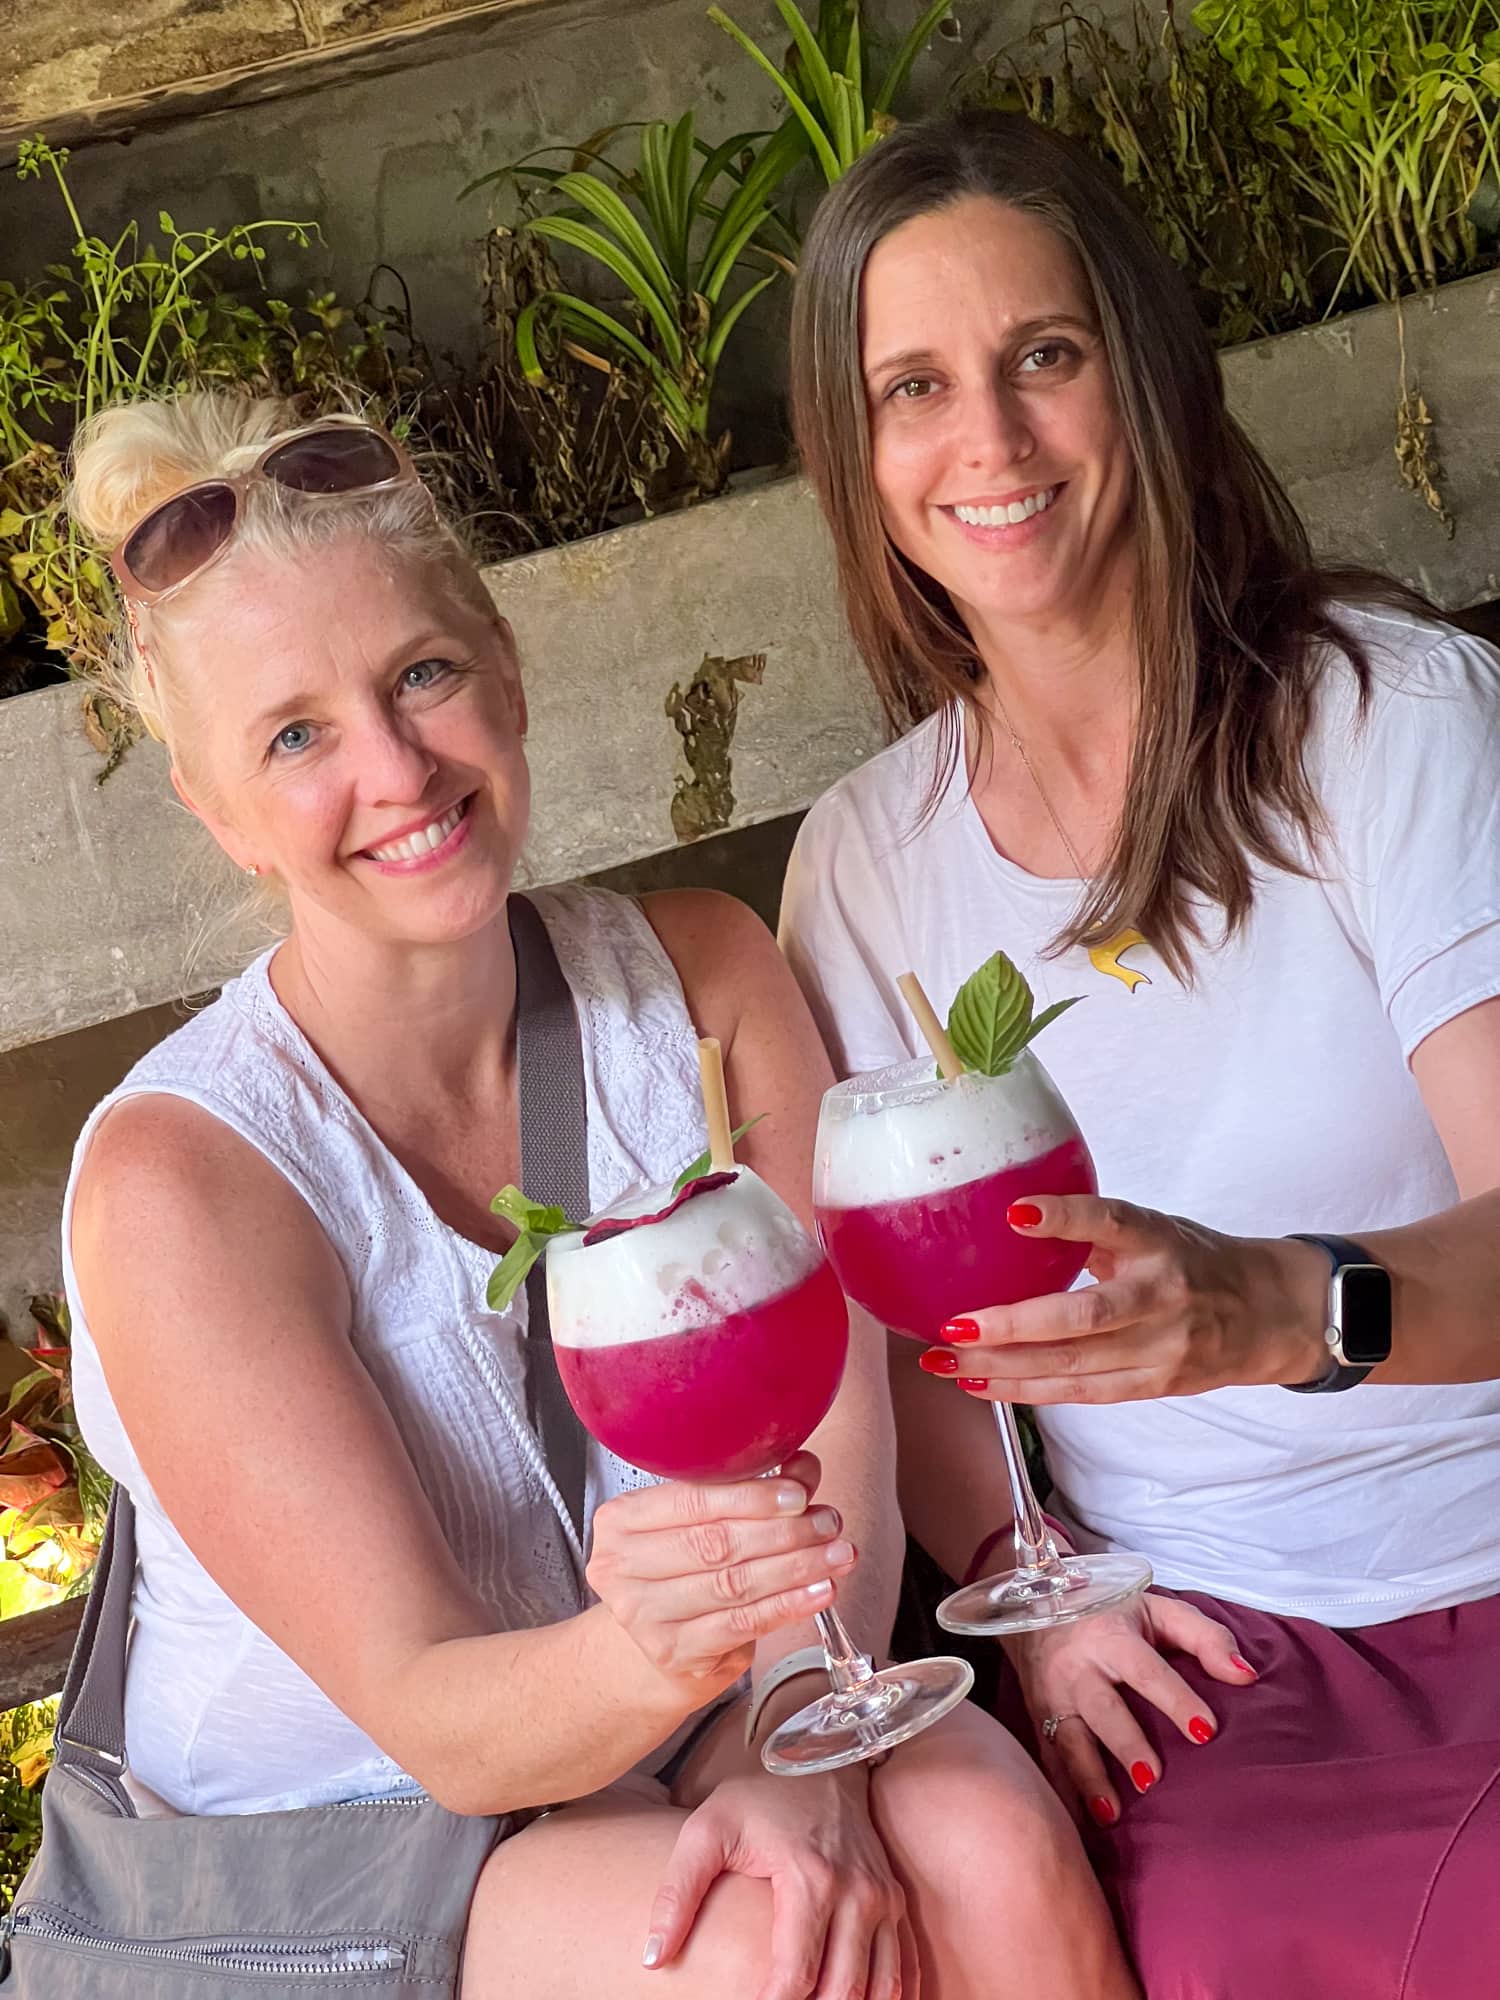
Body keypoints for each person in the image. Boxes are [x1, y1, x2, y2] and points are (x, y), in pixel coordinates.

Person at [35, 389, 1137, 2000]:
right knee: (786, 1957)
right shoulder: (183, 1184)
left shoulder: (700, 979)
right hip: (361, 1844)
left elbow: (835, 1416)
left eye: (422, 675)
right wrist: (697, 1682)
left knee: (993, 1846)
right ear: (213, 808)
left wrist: (789, 1738)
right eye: (296, 735)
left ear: (505, 664)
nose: (398, 769)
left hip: (687, 1718)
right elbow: (440, 1716)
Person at [778, 108, 1500, 1997]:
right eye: (912, 388)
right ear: (857, 465)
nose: (989, 442)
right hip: (1202, 1656)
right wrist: (1040, 1607)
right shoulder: (864, 866)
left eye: (1044, 357)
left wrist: (1274, 1306)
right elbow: (897, 1332)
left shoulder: (1383, 717)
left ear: (1146, 376)